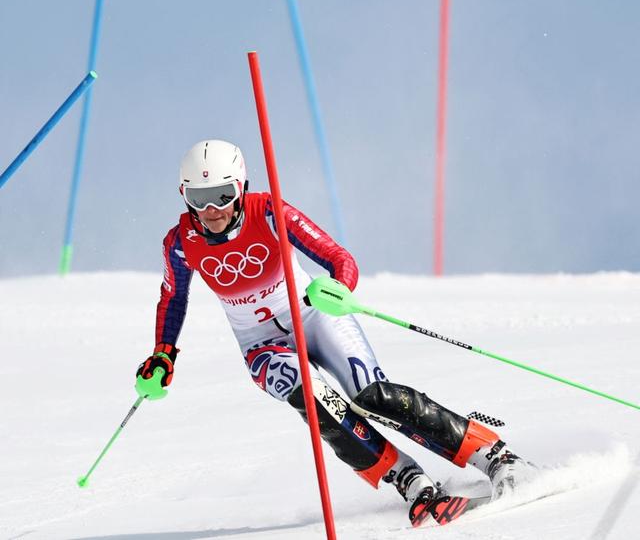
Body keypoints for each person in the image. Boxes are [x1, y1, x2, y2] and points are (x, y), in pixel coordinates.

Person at [136, 139, 532, 527]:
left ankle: (495, 456)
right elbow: (173, 298)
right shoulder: (179, 243)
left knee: (372, 397)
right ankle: (409, 480)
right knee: (314, 400)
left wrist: (339, 288)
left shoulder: (270, 212)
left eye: (222, 195)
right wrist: (163, 354)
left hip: (314, 318)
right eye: (199, 196)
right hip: (261, 345)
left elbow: (339, 258)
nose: (210, 210)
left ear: (241, 189)